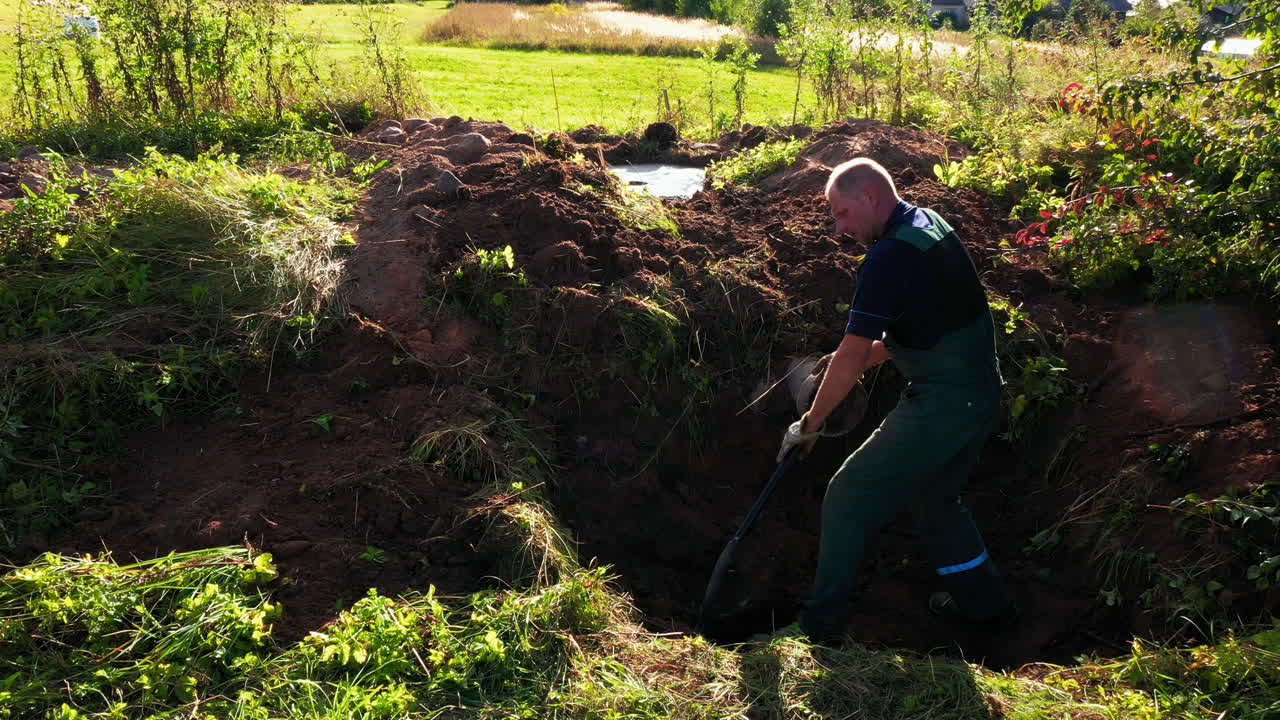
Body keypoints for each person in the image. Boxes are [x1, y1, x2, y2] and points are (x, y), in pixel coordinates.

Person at [776, 157, 1015, 644]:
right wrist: (863, 358)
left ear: (869, 197)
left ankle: (819, 628)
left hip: (943, 403)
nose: (839, 229)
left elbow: (852, 351)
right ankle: (985, 605)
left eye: (842, 213)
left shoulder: (887, 258)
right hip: (980, 392)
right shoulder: (928, 224)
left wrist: (811, 424)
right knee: (937, 500)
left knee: (848, 494)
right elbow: (930, 318)